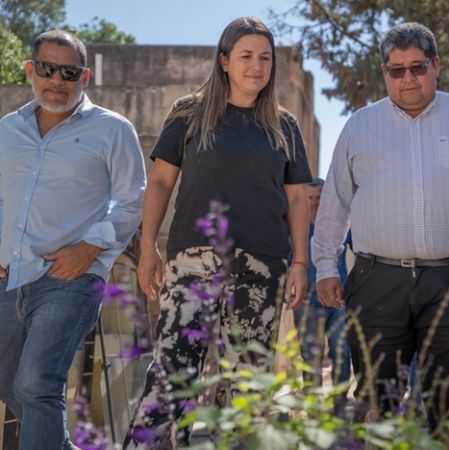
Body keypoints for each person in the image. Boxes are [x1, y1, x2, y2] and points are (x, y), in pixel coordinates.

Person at [312, 22, 449, 430]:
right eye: (397, 70)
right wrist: (326, 266)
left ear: (436, 65)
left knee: (446, 399)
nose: (408, 78)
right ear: (384, 73)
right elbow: (335, 201)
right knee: (379, 400)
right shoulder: (360, 125)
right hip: (375, 279)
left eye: (417, 67)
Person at [125, 17, 311, 447]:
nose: (257, 66)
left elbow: (298, 199)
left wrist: (300, 261)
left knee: (247, 381)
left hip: (261, 266)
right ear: (224, 60)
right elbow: (160, 182)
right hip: (192, 261)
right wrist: (149, 246)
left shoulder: (283, 126)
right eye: (246, 56)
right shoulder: (188, 113)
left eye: (265, 58)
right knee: (174, 371)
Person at [0, 30, 146, 449]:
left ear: (85, 78)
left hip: (71, 278)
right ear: (30, 70)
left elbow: (133, 200)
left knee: (35, 384)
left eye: (69, 72)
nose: (57, 80)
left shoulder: (112, 130)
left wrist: (90, 247)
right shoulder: (8, 130)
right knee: (10, 382)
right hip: (10, 277)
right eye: (47, 68)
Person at [293, 177, 351, 387]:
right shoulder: (294, 229)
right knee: (310, 358)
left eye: (319, 198)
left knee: (342, 354)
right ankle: (313, 411)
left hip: (339, 301)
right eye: (310, 198)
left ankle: (339, 408)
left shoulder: (341, 226)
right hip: (306, 302)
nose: (315, 202)